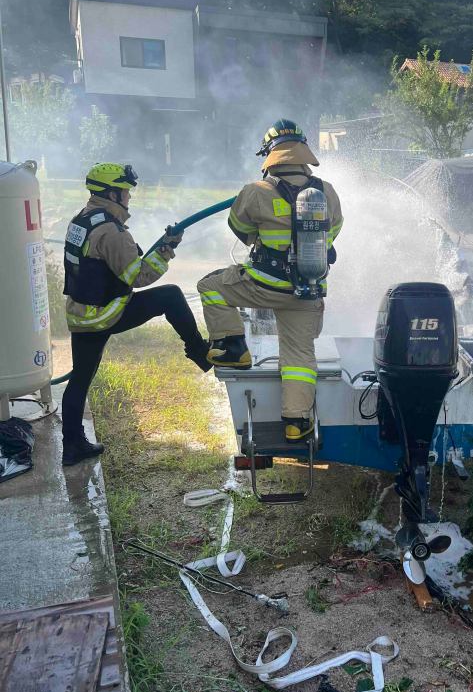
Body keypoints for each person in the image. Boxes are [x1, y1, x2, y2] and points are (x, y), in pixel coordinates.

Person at [197, 120, 343, 442]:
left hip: (264, 287)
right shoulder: (326, 192)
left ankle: (234, 347)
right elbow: (332, 232)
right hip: (307, 290)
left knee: (209, 287)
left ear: (271, 155)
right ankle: (296, 421)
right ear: (303, 152)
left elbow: (240, 229)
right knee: (300, 356)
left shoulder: (256, 191)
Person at [61, 162, 212, 466]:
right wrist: (167, 250)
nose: (129, 197)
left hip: (81, 312)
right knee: (170, 295)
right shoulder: (111, 231)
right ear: (113, 194)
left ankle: (72, 446)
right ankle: (199, 351)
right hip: (104, 314)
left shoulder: (84, 218)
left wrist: (163, 244)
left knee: (79, 379)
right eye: (126, 191)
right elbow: (138, 277)